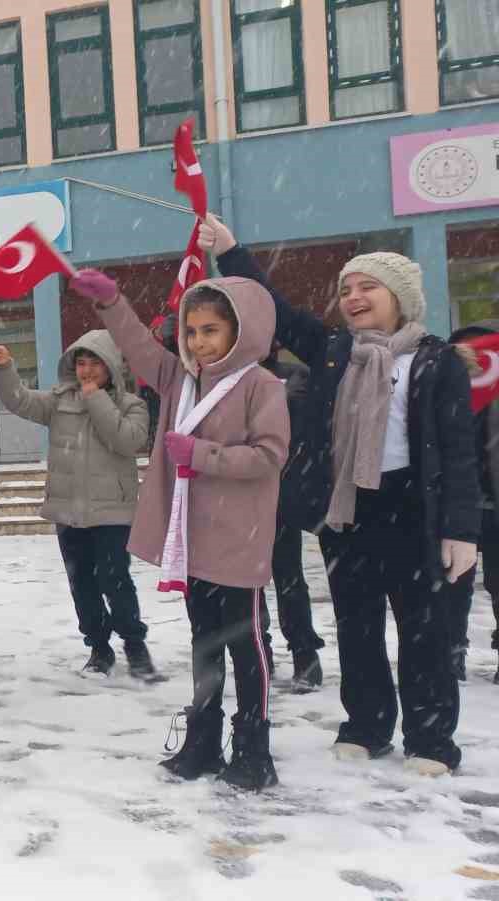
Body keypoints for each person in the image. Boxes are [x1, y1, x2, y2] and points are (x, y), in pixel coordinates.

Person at [205, 214, 478, 777]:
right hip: (348, 510)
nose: (353, 298)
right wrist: (231, 251)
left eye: (367, 287)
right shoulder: (335, 350)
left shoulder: (436, 360)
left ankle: (430, 738)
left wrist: (461, 529)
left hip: (415, 509)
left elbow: (457, 451)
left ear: (400, 296)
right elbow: (275, 309)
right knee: (357, 627)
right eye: (346, 289)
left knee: (424, 630)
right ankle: (366, 726)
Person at [79, 265, 289, 791]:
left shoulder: (261, 385)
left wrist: (202, 454)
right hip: (192, 540)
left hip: (238, 540)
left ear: (242, 330)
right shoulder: (181, 380)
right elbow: (137, 347)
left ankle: (254, 749)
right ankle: (203, 741)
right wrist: (112, 303)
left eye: (211, 330)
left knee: (248, 646)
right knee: (205, 643)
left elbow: (269, 456)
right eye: (191, 331)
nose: (198, 342)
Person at [0, 330, 155, 678]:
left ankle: (134, 645)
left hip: (112, 513)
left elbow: (126, 441)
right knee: (82, 585)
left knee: (115, 580)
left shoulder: (131, 405)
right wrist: (4, 369)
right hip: (69, 513)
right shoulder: (59, 401)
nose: (87, 370)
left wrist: (95, 399)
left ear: (111, 366)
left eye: (95, 363)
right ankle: (99, 648)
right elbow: (19, 401)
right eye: (81, 363)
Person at [260, 348, 326, 690]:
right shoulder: (220, 376)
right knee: (244, 585)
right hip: (236, 497)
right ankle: (259, 652)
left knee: (289, 580)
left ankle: (305, 654)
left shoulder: (293, 375)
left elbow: (305, 431)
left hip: (280, 495)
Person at [451, 317, 499, 683]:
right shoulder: (448, 392)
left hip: (493, 506)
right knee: (454, 586)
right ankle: (452, 652)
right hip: (459, 506)